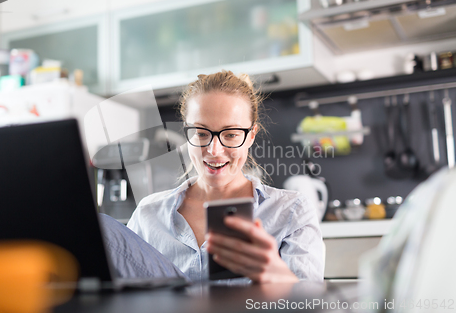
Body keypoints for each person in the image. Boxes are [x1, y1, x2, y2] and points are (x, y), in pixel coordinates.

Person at [100, 70, 324, 283]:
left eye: (231, 134)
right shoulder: (148, 213)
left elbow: (309, 304)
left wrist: (276, 274)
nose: (214, 150)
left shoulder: (291, 212)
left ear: (251, 136)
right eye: (201, 133)